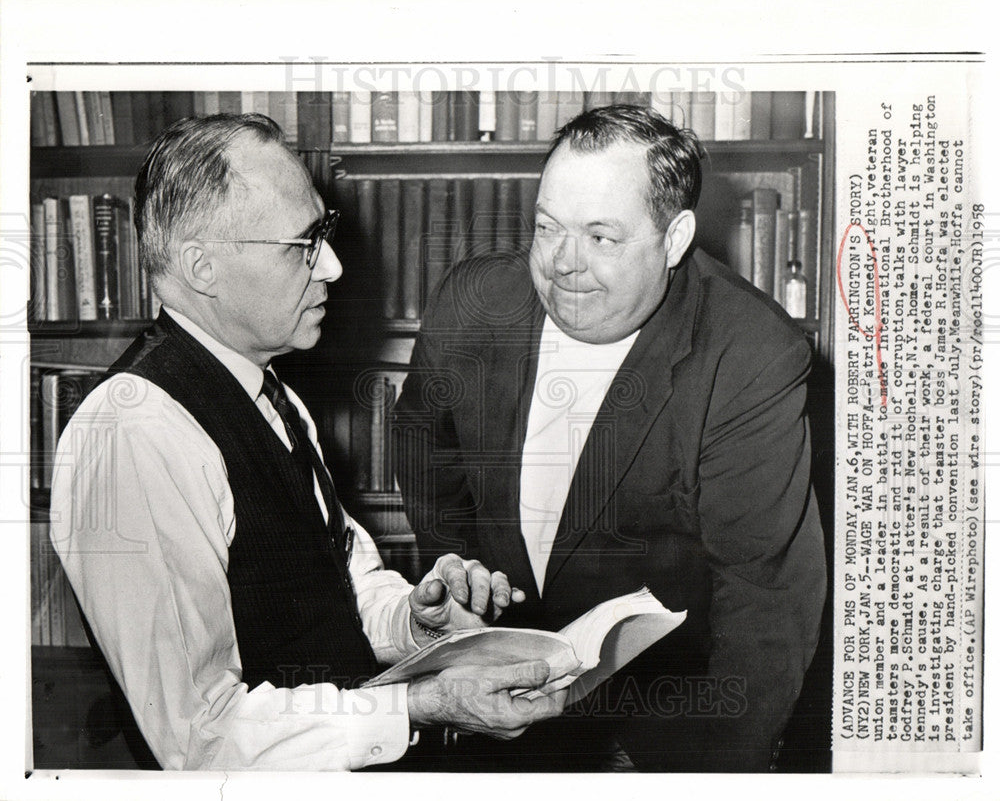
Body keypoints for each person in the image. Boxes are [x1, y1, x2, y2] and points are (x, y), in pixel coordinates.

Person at [49, 113, 566, 771]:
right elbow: (197, 736)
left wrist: (417, 620)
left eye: (325, 232)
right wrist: (420, 705)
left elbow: (339, 587)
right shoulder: (134, 431)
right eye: (302, 244)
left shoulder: (273, 397)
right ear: (202, 265)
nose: (334, 265)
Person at [392, 104, 827, 772]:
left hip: (655, 735)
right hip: (491, 715)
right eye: (547, 228)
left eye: (602, 237)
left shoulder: (750, 353)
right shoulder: (471, 302)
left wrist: (708, 773)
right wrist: (462, 576)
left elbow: (765, 603)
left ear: (675, 238)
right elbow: (426, 449)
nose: (565, 264)